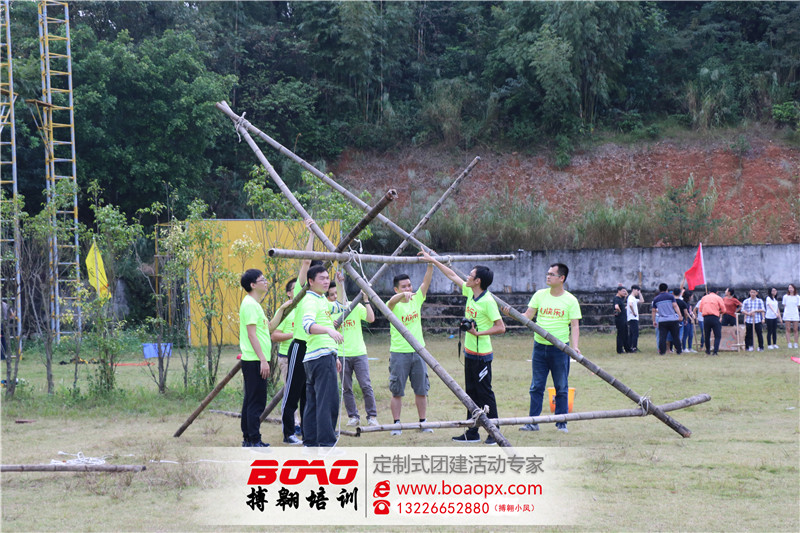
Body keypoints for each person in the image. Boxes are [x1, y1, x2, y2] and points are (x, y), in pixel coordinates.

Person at [421, 251, 506, 445]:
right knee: (470, 393)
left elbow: (501, 327)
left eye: (470, 275)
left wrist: (478, 333)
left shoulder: (488, 301)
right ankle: (472, 431)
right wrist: (433, 260)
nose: (467, 277)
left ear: (478, 281)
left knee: (485, 393)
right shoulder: (469, 292)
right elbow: (452, 275)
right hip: (469, 353)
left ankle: (494, 432)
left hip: (482, 355)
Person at [503, 263, 581, 434]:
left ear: (562, 278)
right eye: (547, 273)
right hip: (539, 347)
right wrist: (511, 314)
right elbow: (527, 317)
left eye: (552, 274)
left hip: (560, 349)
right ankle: (533, 422)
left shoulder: (570, 300)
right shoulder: (539, 295)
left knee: (561, 386)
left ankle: (561, 423)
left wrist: (575, 347)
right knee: (536, 386)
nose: (548, 276)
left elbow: (575, 326)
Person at [238, 268, 291, 448]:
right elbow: (251, 335)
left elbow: (269, 328)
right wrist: (262, 360)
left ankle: (248, 438)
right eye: (262, 280)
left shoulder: (254, 305)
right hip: (255, 360)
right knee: (256, 401)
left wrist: (282, 309)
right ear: (253, 285)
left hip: (256, 359)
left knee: (251, 399)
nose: (266, 282)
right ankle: (254, 439)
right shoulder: (250, 305)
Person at [386, 262, 435, 436]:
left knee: (422, 389)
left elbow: (426, 283)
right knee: (397, 390)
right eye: (404, 287)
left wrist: (430, 265)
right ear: (396, 289)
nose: (408, 289)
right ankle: (396, 424)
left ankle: (423, 422)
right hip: (399, 353)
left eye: (409, 285)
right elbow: (390, 302)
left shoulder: (416, 299)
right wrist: (401, 296)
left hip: (419, 351)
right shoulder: (392, 305)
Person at [301, 264, 345, 447]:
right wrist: (329, 330)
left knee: (313, 402)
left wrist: (340, 284)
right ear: (311, 281)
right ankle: (327, 443)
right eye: (322, 278)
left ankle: (310, 443)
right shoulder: (310, 300)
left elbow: (341, 305)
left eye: (328, 278)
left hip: (318, 357)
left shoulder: (321, 300)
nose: (326, 281)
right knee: (328, 402)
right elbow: (307, 325)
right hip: (320, 357)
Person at [281, 220, 315, 445]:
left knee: (307, 393)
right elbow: (306, 260)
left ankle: (307, 431)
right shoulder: (299, 297)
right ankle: (288, 433)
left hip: (314, 348)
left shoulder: (316, 297)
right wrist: (311, 234)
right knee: (293, 391)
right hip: (299, 347)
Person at [330, 274, 379, 428]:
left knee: (366, 385)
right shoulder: (330, 310)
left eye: (336, 293)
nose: (335, 296)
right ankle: (353, 416)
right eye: (331, 295)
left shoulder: (355, 305)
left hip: (359, 353)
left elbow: (371, 319)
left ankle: (372, 416)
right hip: (341, 354)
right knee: (346, 388)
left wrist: (366, 300)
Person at [270, 277, 301, 437]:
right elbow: (274, 335)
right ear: (289, 293)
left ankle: (304, 423)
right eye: (295, 288)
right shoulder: (285, 311)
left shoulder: (306, 307)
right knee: (291, 392)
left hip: (305, 356)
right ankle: (293, 424)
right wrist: (294, 334)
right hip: (287, 358)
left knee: (305, 392)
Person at [651, 283, 683, 356]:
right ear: (666, 289)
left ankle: (662, 352)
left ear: (659, 289)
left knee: (662, 337)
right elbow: (675, 306)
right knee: (675, 336)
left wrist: (654, 320)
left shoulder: (656, 299)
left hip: (662, 320)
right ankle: (679, 351)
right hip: (672, 319)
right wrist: (680, 315)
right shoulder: (670, 296)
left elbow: (653, 310)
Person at [698, 287, 725, 355]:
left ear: (709, 291)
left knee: (707, 335)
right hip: (715, 317)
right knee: (717, 335)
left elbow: (700, 309)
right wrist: (719, 312)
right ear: (717, 292)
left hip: (706, 318)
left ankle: (707, 351)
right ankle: (715, 351)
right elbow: (724, 310)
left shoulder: (704, 298)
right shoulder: (718, 298)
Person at [613, 286, 631, 354]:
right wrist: (620, 311)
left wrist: (623, 289)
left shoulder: (621, 298)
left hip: (623, 319)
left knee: (625, 334)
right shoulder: (616, 299)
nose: (624, 293)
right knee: (620, 335)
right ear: (619, 291)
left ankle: (627, 348)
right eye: (623, 291)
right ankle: (619, 350)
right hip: (620, 319)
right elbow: (616, 307)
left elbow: (626, 295)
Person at [627, 285, 644, 352]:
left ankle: (629, 346)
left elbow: (642, 301)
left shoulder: (633, 298)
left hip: (633, 318)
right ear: (633, 290)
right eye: (637, 290)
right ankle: (634, 347)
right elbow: (630, 304)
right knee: (635, 334)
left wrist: (640, 293)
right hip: (633, 318)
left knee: (632, 333)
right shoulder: (631, 297)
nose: (637, 292)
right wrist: (633, 312)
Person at [673, 288, 690, 353]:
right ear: (680, 293)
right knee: (680, 334)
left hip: (672, 319)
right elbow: (685, 312)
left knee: (672, 334)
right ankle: (678, 347)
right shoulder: (682, 302)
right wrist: (686, 319)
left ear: (673, 293)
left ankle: (671, 348)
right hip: (680, 319)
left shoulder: (671, 302)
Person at [783, 283, 800, 349]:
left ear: (794, 289)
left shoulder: (797, 297)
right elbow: (784, 305)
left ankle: (795, 343)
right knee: (788, 329)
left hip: (795, 314)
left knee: (795, 329)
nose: (790, 289)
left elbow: (798, 305)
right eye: (789, 288)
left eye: (792, 288)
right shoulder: (785, 296)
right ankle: (789, 343)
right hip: (787, 314)